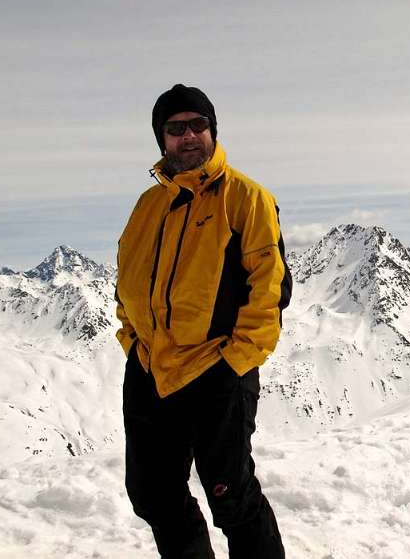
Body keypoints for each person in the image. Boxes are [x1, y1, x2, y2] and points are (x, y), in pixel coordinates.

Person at [115, 84, 292, 558]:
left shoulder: (247, 198)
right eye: (176, 129)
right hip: (152, 370)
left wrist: (234, 363)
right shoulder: (147, 206)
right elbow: (127, 282)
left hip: (216, 371)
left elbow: (270, 290)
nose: (189, 136)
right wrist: (133, 341)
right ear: (162, 139)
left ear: (213, 131)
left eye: (199, 125)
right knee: (153, 493)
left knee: (232, 499)